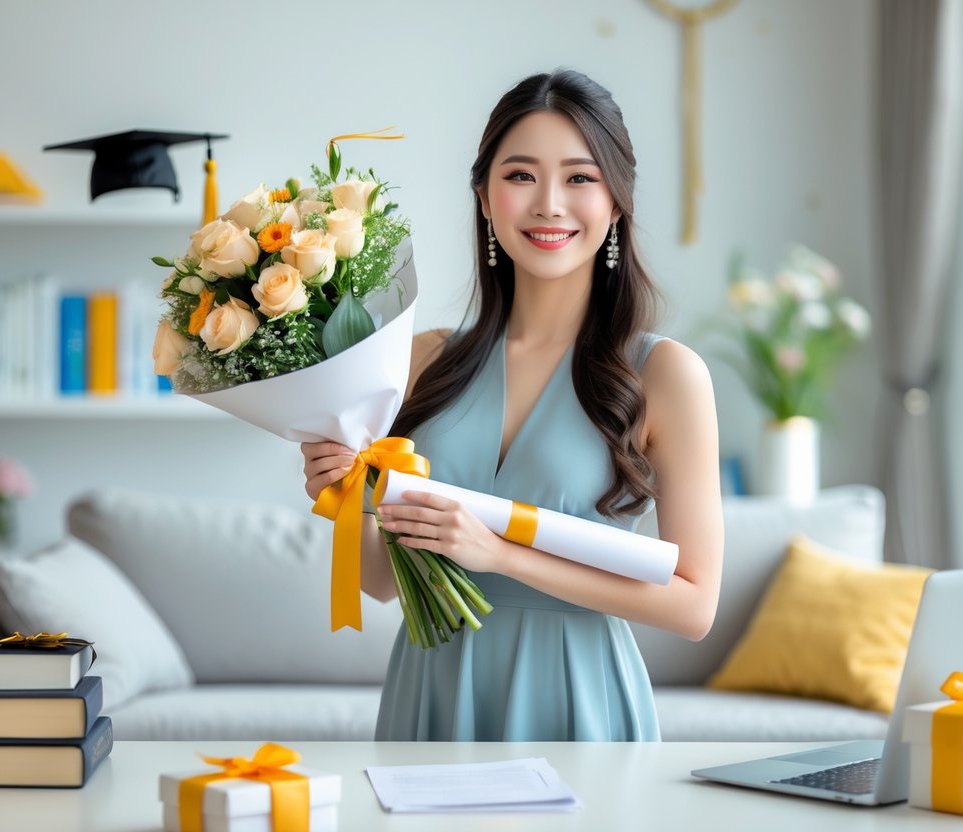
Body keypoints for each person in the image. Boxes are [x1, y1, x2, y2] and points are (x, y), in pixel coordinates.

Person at [301, 69, 723, 741]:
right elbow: (381, 584)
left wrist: (501, 557)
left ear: (616, 202)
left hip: (577, 698)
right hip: (431, 690)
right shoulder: (422, 359)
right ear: (484, 197)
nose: (548, 204)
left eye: (580, 178)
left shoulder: (665, 373)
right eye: (521, 175)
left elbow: (695, 604)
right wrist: (345, 497)